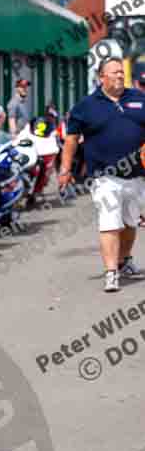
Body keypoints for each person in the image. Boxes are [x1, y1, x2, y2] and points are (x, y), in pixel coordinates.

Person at [58, 57, 145, 293]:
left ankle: (123, 260)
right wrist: (65, 170)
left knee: (130, 224)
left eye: (121, 72)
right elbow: (71, 140)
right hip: (105, 177)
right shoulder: (85, 106)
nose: (119, 76)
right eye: (114, 73)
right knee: (109, 223)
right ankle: (111, 273)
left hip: (137, 175)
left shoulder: (138, 98)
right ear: (101, 78)